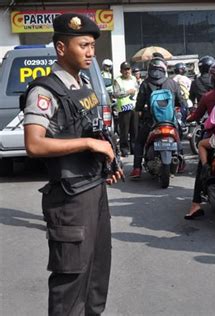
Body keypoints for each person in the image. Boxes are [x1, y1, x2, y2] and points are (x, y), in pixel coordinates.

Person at [22, 13, 123, 315]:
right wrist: (89, 144)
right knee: (71, 281)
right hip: (69, 197)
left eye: (92, 45)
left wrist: (107, 159)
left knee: (96, 274)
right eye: (83, 45)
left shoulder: (84, 84)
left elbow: (89, 128)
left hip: (92, 187)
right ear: (61, 48)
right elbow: (34, 144)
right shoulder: (45, 91)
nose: (91, 52)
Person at [185, 61, 215, 218]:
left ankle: (195, 204)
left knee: (202, 167)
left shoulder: (209, 96)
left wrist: (189, 118)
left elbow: (197, 115)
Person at [130, 57, 187, 178]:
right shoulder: (172, 83)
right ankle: (181, 164)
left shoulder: (145, 84)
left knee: (139, 142)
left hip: (151, 121)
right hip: (170, 121)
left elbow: (139, 104)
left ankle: (136, 168)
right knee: (178, 139)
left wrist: (140, 110)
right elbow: (182, 102)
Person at [113, 61, 138, 157]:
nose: (127, 71)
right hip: (124, 108)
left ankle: (134, 148)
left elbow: (137, 90)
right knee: (124, 130)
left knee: (134, 130)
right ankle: (124, 149)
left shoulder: (134, 79)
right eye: (125, 69)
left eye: (128, 69)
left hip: (134, 107)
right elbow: (116, 94)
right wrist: (128, 92)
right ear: (121, 71)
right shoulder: (118, 80)